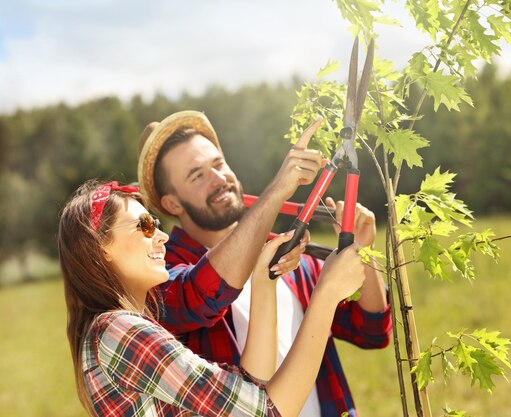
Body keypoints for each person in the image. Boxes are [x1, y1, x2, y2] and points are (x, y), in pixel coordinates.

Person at [137, 111, 392, 417]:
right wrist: (277, 190)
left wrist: (364, 251)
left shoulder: (287, 249)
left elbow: (372, 331)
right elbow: (202, 292)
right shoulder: (159, 270)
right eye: (197, 175)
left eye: (218, 164)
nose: (219, 180)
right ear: (172, 204)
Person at [58, 179, 366, 417]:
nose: (162, 236)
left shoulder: (115, 332)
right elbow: (269, 410)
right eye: (145, 225)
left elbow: (250, 388)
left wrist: (264, 279)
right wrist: (326, 295)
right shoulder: (119, 332)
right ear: (100, 248)